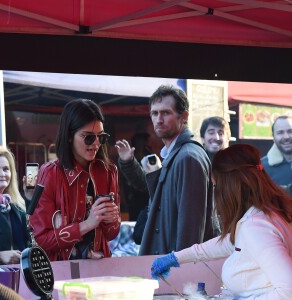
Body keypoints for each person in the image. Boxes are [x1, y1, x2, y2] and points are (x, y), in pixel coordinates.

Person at [151, 144, 292, 300]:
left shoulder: (256, 227)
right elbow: (227, 244)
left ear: (230, 185)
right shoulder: (263, 216)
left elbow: (288, 290)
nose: (217, 194)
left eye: (216, 185)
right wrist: (176, 258)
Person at [115, 85, 215, 255]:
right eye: (155, 113)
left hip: (178, 267)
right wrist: (129, 162)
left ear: (183, 117)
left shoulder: (188, 157)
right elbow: (153, 193)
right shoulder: (176, 154)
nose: (158, 119)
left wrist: (178, 269)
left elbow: (190, 229)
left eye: (166, 113)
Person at [29, 99, 121, 261]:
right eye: (88, 137)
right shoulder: (50, 173)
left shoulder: (108, 171)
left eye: (101, 137)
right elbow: (39, 240)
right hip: (63, 272)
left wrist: (111, 219)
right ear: (69, 136)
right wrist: (87, 225)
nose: (96, 144)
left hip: (101, 268)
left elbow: (112, 234)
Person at [0, 145, 28, 265]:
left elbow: (32, 239)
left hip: (19, 277)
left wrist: (29, 198)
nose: (2, 174)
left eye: (6, 169)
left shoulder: (16, 205)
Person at [261, 115, 292, 185]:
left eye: (290, 131)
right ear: (273, 138)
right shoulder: (262, 167)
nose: (286, 137)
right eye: (280, 132)